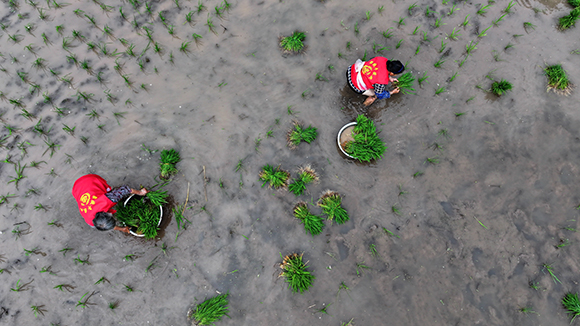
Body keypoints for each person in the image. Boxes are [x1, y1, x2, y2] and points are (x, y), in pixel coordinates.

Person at [72, 174, 148, 233]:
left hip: (90, 181)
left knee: (111, 193)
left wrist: (141, 192)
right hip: (78, 189)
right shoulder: (90, 222)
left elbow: (124, 190)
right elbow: (105, 225)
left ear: (106, 213)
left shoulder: (106, 200)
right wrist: (122, 229)